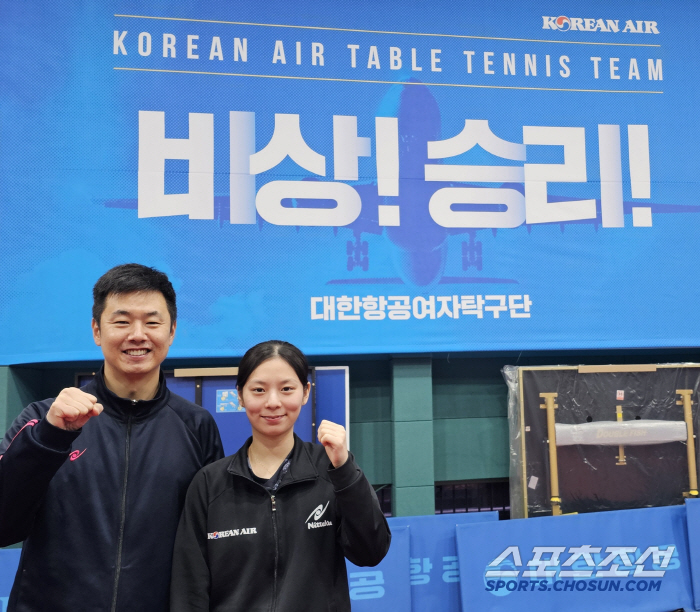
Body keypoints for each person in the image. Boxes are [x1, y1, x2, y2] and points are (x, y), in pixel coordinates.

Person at [0, 264, 224, 612]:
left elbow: (210, 542)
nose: (137, 335)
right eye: (121, 322)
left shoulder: (197, 425)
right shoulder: (43, 419)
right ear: (97, 330)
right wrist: (50, 438)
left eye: (152, 322)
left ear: (172, 331)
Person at [170, 340, 391, 612]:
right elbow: (189, 588)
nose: (273, 402)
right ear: (240, 395)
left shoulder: (332, 470)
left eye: (287, 389)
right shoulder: (209, 484)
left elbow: (371, 552)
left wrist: (345, 470)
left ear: (305, 391)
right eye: (259, 390)